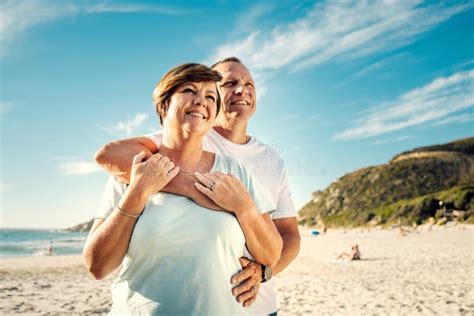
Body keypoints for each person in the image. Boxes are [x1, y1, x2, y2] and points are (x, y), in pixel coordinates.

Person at [95, 57, 301, 315]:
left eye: (249, 83)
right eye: (230, 83)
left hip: (255, 306)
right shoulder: (188, 132)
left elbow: (288, 234)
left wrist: (264, 272)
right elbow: (110, 154)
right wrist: (195, 187)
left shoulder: (268, 161)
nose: (242, 89)